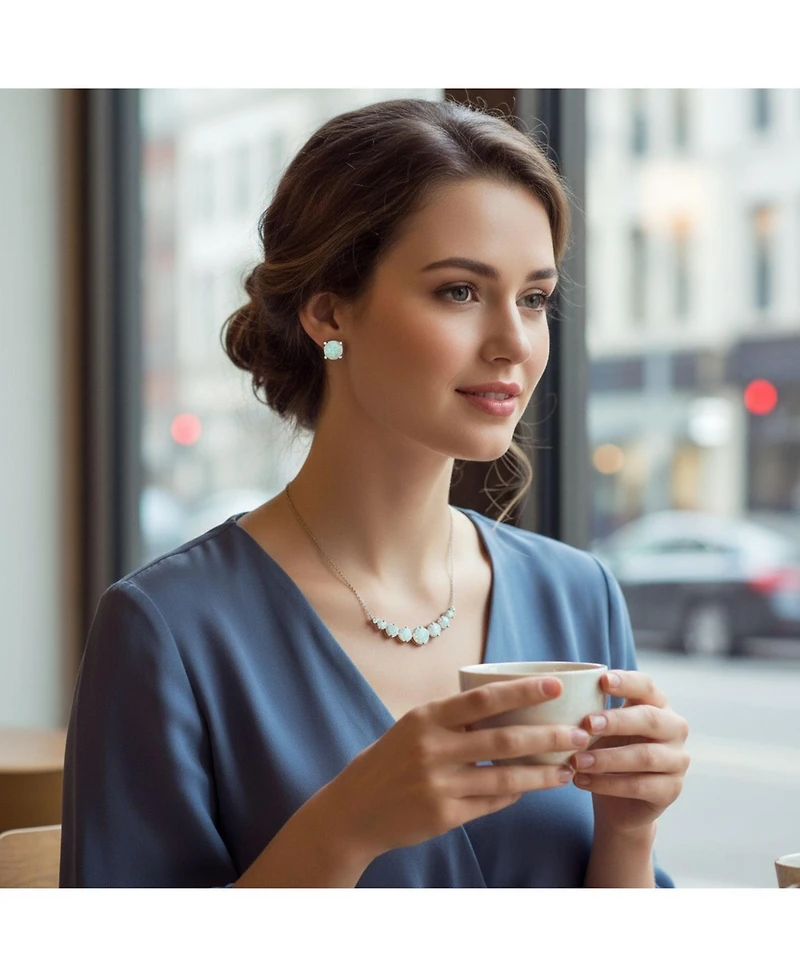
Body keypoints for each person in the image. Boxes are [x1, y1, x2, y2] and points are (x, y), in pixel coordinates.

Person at [59, 97, 689, 888]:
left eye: (533, 299)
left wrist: (630, 830)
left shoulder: (578, 594)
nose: (514, 343)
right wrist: (347, 824)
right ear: (329, 311)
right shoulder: (170, 629)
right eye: (460, 291)